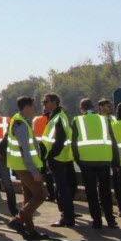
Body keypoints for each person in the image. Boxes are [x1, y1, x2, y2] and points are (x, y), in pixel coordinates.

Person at [71, 98, 120, 229]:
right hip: (104, 160)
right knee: (105, 191)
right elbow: (113, 141)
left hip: (86, 162)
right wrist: (116, 161)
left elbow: (73, 143)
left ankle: (97, 221)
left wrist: (78, 161)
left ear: (81, 108)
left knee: (91, 192)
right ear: (93, 107)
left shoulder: (77, 120)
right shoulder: (105, 120)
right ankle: (110, 219)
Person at [6, 96, 48, 239]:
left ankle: (30, 230)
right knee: (41, 194)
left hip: (20, 165)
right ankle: (18, 220)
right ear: (27, 107)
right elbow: (25, 150)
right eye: (33, 106)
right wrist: (34, 171)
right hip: (25, 166)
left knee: (29, 196)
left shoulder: (18, 120)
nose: (34, 109)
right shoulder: (21, 124)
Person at [39, 93, 77, 228]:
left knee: (62, 189)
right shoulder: (59, 115)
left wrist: (51, 156)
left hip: (58, 158)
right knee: (67, 188)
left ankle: (66, 217)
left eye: (46, 101)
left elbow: (59, 140)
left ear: (54, 102)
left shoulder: (58, 117)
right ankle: (68, 214)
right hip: (65, 157)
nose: (44, 104)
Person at [32, 109, 56, 201]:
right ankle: (52, 195)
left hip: (38, 150)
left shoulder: (36, 119)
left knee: (40, 173)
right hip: (49, 149)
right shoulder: (52, 121)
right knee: (49, 174)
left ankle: (41, 193)